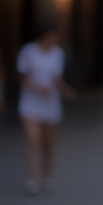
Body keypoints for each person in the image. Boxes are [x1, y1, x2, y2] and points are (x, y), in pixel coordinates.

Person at [16, 24, 74, 195]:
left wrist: (65, 90)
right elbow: (21, 77)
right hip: (31, 102)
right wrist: (36, 88)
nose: (53, 41)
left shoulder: (58, 53)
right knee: (33, 140)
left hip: (51, 103)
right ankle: (31, 179)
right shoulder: (28, 52)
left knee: (48, 143)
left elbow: (56, 77)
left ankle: (47, 176)